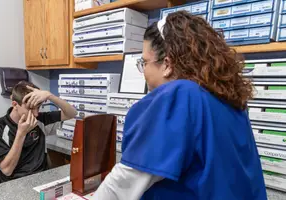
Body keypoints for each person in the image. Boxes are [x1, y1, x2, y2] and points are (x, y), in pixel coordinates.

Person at [93, 11, 267, 200]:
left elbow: (124, 183)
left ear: (167, 64)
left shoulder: (181, 95)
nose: (143, 71)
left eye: (144, 62)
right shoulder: (231, 102)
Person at [0, 81, 77, 182]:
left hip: (42, 179)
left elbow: (72, 113)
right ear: (15, 105)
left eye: (38, 108)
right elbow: (7, 170)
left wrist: (49, 95)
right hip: (15, 183)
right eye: (30, 108)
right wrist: (21, 134)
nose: (36, 113)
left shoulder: (40, 119)